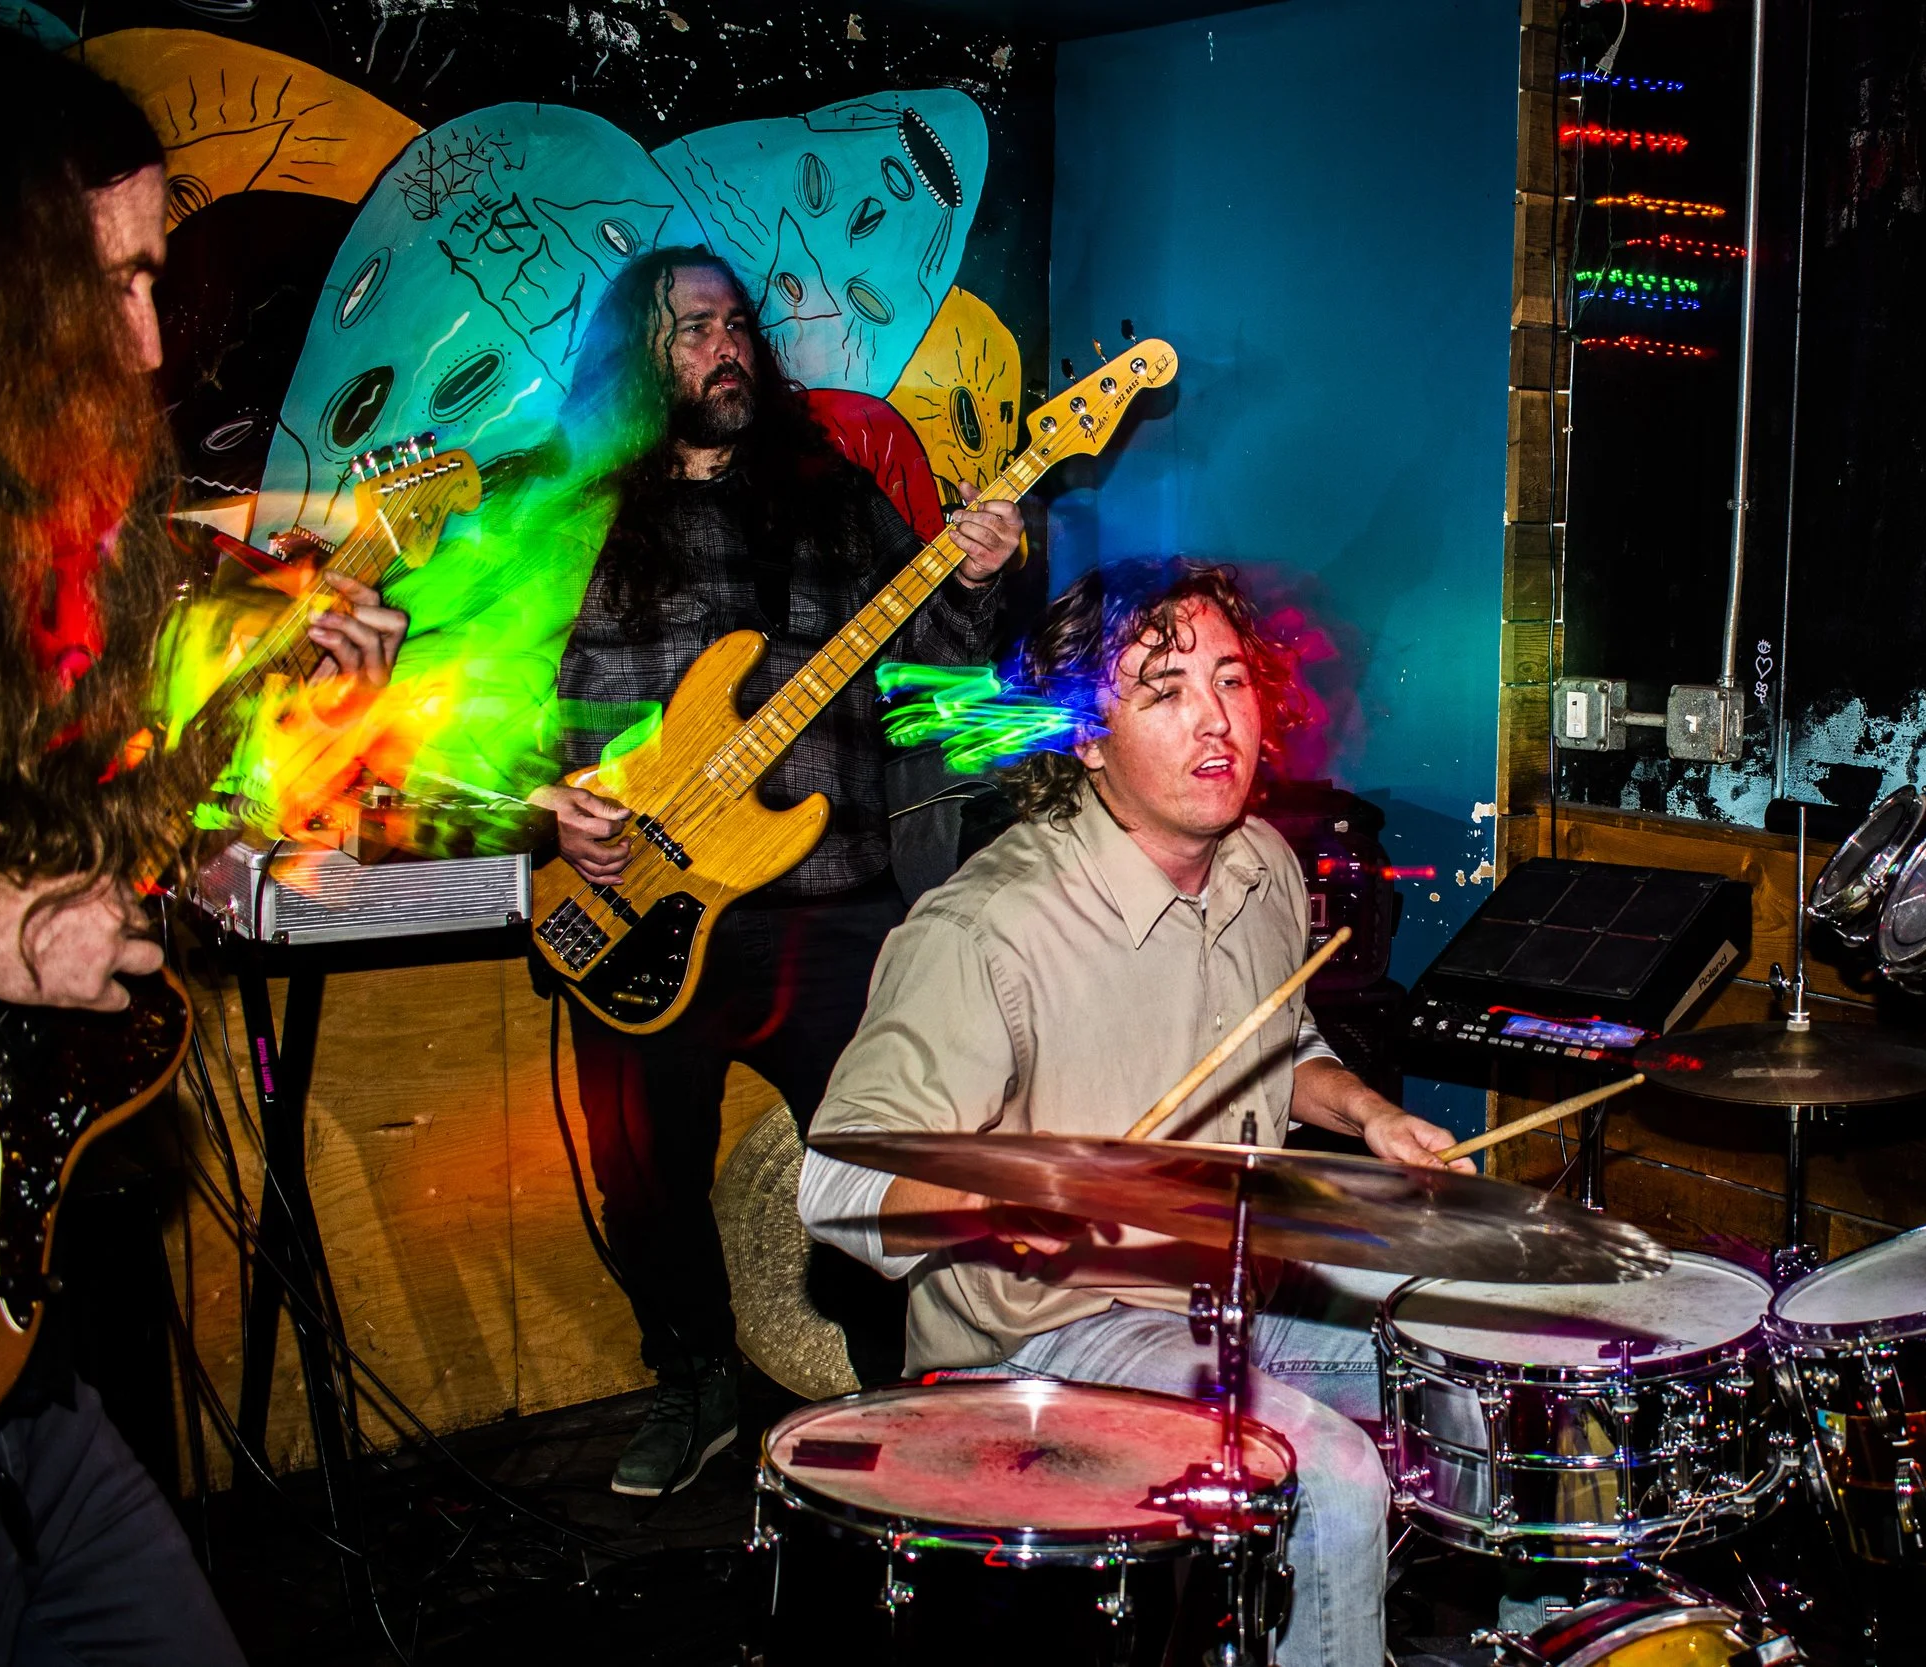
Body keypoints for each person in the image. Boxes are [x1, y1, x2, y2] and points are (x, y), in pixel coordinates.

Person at [0, 22, 404, 1665]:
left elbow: (108, 824)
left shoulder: (67, 527)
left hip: (42, 1208)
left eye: (158, 280)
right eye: (105, 287)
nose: (146, 343)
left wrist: (261, 714)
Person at [797, 560, 1463, 1667]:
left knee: (1474, 1346)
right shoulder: (985, 931)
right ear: (1087, 738)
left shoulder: (1263, 864)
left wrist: (1364, 1114)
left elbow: (1276, 1044)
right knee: (1331, 1473)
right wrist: (1023, 1199)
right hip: (1044, 1334)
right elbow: (836, 1181)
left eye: (1231, 681)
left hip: (1230, 1276)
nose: (1215, 721)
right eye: (1162, 691)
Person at [536, 246, 1021, 1497]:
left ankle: (891, 1403)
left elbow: (938, 680)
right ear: (637, 366)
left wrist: (975, 581)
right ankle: (692, 1375)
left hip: (832, 901)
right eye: (692, 331)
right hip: (638, 903)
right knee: (642, 1174)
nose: (726, 346)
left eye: (737, 324)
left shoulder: (834, 494)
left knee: (874, 1165)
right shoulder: (582, 516)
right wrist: (554, 810)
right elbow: (504, 707)